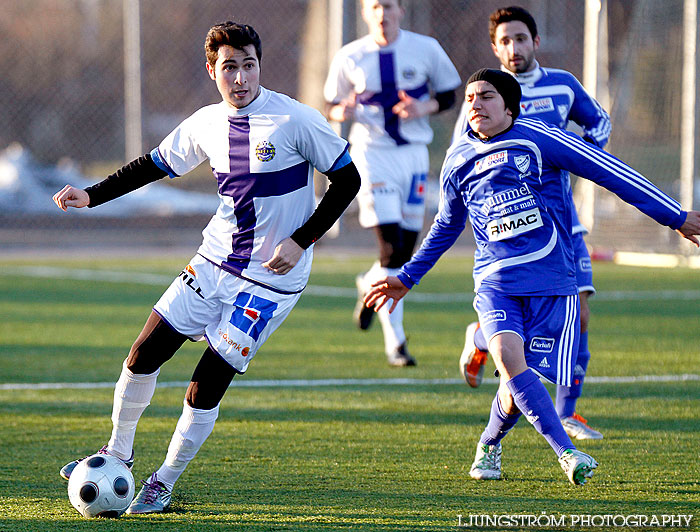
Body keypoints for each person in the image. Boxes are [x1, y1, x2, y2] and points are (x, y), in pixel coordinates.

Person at [52, 22, 361, 514]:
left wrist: (301, 241)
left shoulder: (294, 119)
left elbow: (347, 179)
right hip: (213, 262)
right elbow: (152, 164)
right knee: (142, 355)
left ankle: (164, 480)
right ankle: (118, 452)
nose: (240, 78)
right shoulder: (206, 123)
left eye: (249, 65)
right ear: (213, 71)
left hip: (270, 282)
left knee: (205, 383)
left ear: (260, 65)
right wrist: (93, 194)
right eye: (229, 68)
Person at [364, 68, 700, 484]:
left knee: (515, 386)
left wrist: (676, 217)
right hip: (495, 282)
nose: (475, 104)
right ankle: (568, 453)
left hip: (552, 281)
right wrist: (408, 275)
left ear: (509, 105)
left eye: (486, 96)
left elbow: (610, 172)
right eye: (469, 98)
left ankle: (489, 443)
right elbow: (446, 226)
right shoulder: (458, 159)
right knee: (509, 361)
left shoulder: (541, 139)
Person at [454, 6, 610, 441]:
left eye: (520, 38)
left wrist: (580, 154)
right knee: (520, 332)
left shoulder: (562, 85)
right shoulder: (482, 96)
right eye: (504, 40)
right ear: (494, 47)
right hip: (509, 234)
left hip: (563, 222)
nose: (513, 48)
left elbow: (600, 121)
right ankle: (487, 336)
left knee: (578, 315)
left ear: (535, 42)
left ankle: (568, 412)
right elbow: (462, 161)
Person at [323, 0, 461, 366]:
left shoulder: (426, 48)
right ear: (366, 13)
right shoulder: (350, 55)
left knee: (404, 254)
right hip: (373, 155)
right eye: (375, 6)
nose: (382, 13)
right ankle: (396, 343)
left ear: (401, 10)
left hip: (414, 155)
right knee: (390, 248)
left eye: (389, 5)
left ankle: (370, 285)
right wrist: (343, 111)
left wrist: (423, 107)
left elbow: (449, 93)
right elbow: (331, 106)